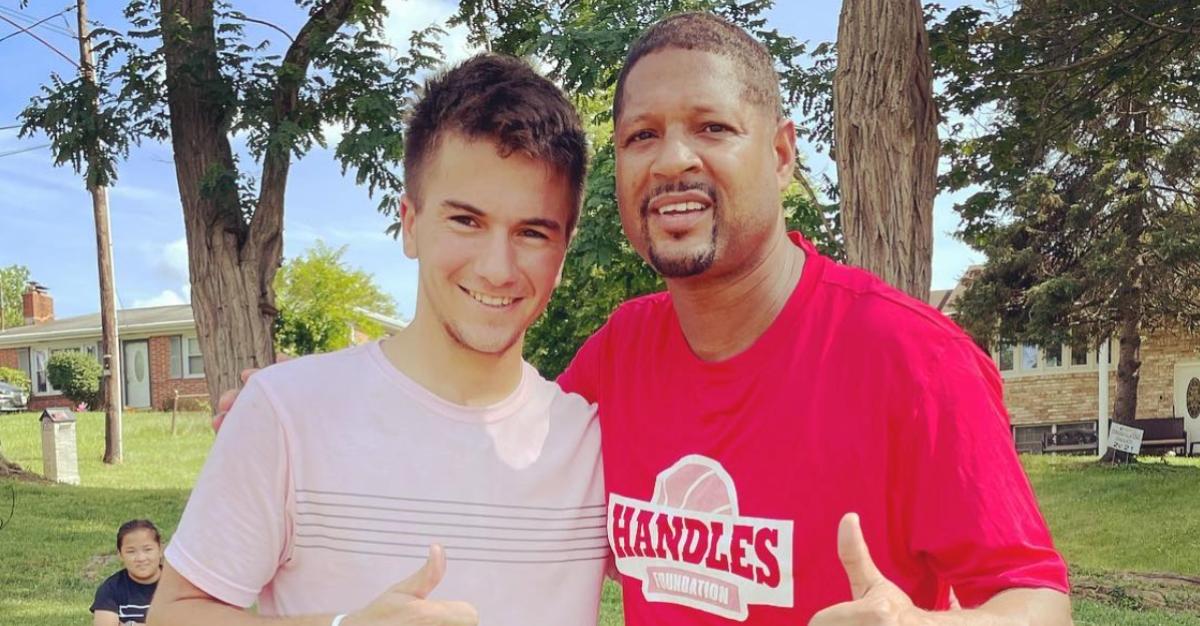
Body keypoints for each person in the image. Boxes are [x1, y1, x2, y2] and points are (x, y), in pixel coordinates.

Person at [216, 12, 1074, 625]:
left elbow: (1038, 595)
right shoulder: (619, 357)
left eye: (711, 126)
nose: (672, 159)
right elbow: (482, 423)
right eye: (640, 136)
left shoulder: (910, 357)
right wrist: (303, 405)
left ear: (780, 152)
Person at [148, 54, 605, 626]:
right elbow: (175, 614)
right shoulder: (287, 411)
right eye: (465, 220)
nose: (497, 267)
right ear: (410, 224)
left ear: (563, 252)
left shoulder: (594, 446)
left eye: (533, 232)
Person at [91, 519, 163, 626]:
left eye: (148, 549)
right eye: (131, 551)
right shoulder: (111, 589)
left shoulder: (179, 583)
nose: (141, 558)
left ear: (160, 550)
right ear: (120, 555)